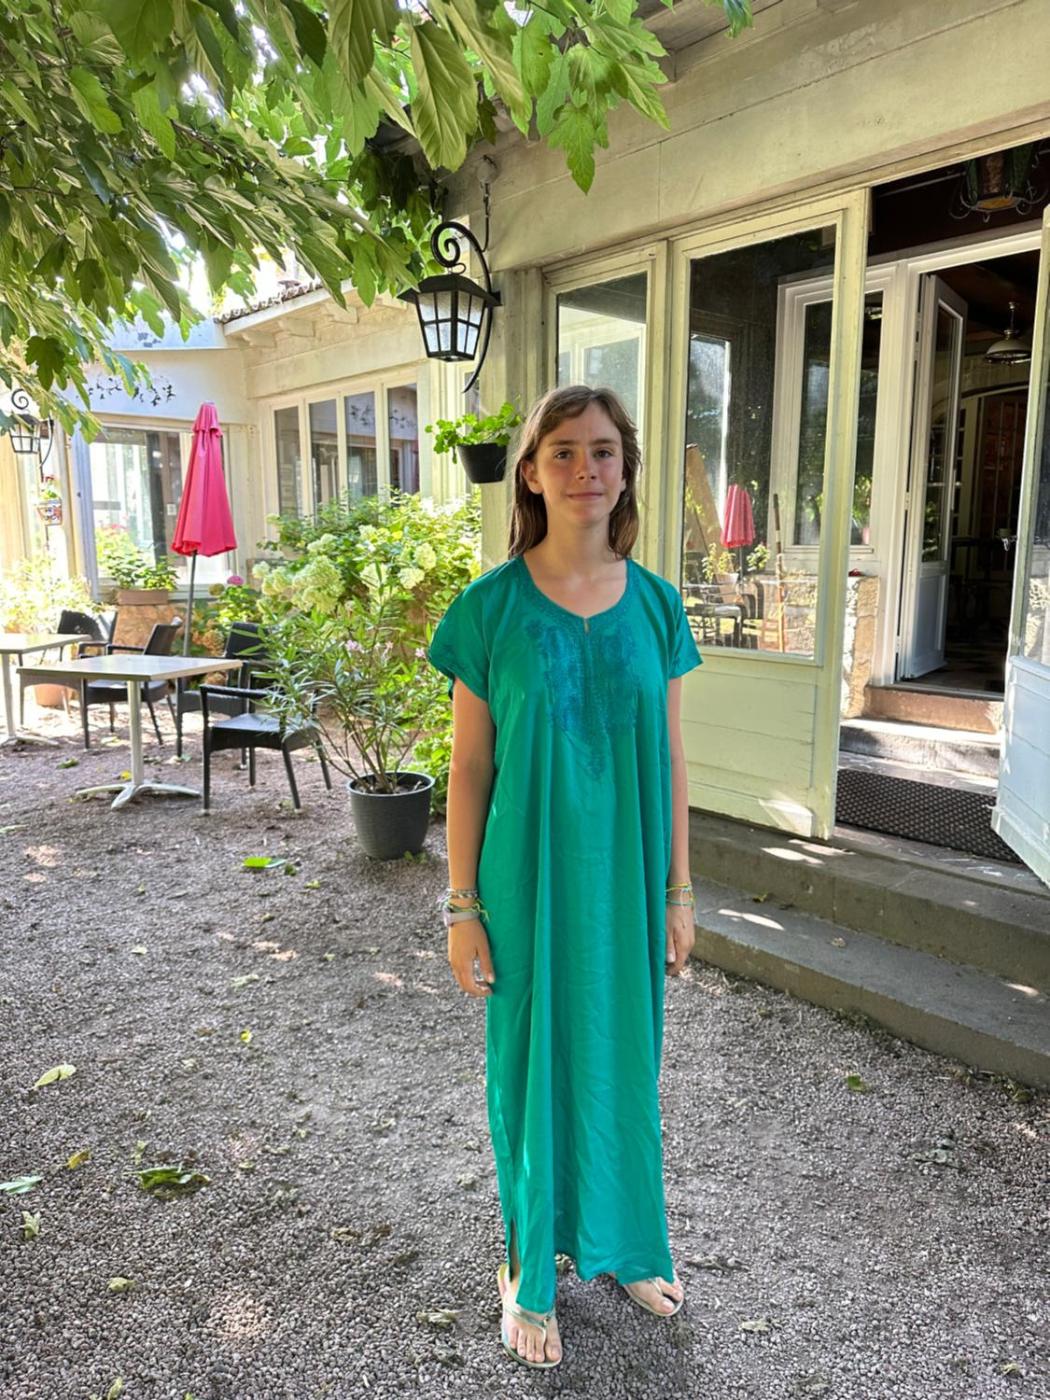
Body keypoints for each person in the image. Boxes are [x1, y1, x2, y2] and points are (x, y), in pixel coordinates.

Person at [426, 383, 703, 1369]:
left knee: (624, 1061)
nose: (586, 468)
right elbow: (469, 768)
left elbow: (670, 758)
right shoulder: (489, 608)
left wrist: (679, 891)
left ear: (625, 471)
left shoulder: (658, 605)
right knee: (531, 1067)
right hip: (525, 883)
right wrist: (462, 906)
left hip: (625, 881)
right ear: (533, 474)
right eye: (564, 452)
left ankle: (625, 1244)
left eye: (603, 451)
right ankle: (526, 1263)